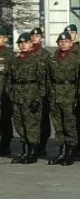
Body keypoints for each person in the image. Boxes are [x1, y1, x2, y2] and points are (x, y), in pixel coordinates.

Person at [9, 32, 48, 163]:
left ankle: (33, 153)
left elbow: (43, 81)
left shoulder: (36, 61)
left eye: (25, 42)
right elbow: (10, 79)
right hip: (17, 96)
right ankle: (25, 151)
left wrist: (38, 98)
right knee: (19, 125)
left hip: (31, 96)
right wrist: (10, 93)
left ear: (31, 44)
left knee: (31, 125)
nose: (23, 45)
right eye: (20, 43)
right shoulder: (15, 60)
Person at [47, 32, 80, 166]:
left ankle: (70, 153)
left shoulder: (76, 59)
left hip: (70, 95)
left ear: (71, 43)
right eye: (61, 42)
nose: (63, 44)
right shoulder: (52, 58)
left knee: (70, 125)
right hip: (55, 95)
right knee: (58, 126)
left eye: (66, 41)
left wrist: (78, 97)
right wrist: (50, 93)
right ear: (57, 43)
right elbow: (48, 78)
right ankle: (61, 152)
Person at [65, 24, 80, 157]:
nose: (70, 35)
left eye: (72, 32)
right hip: (62, 91)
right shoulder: (59, 52)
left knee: (78, 120)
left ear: (76, 35)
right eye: (68, 32)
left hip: (76, 90)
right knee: (66, 121)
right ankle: (68, 146)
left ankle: (78, 145)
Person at [30, 27, 51, 157]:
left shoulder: (46, 55)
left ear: (41, 38)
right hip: (28, 91)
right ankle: (33, 145)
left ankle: (42, 145)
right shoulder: (26, 52)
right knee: (31, 120)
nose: (34, 38)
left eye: (37, 36)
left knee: (43, 120)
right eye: (32, 35)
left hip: (42, 91)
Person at [0, 26, 13, 156]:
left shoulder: (9, 55)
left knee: (4, 119)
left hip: (4, 93)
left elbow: (13, 75)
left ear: (5, 39)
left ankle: (5, 145)